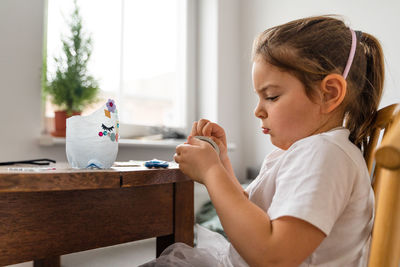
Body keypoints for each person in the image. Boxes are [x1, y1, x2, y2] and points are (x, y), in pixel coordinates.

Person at [140, 15, 384, 267]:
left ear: (329, 93)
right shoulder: (311, 152)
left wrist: (212, 172)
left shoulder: (325, 154)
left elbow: (274, 255)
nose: (258, 110)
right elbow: (257, 218)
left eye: (272, 96)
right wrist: (222, 165)